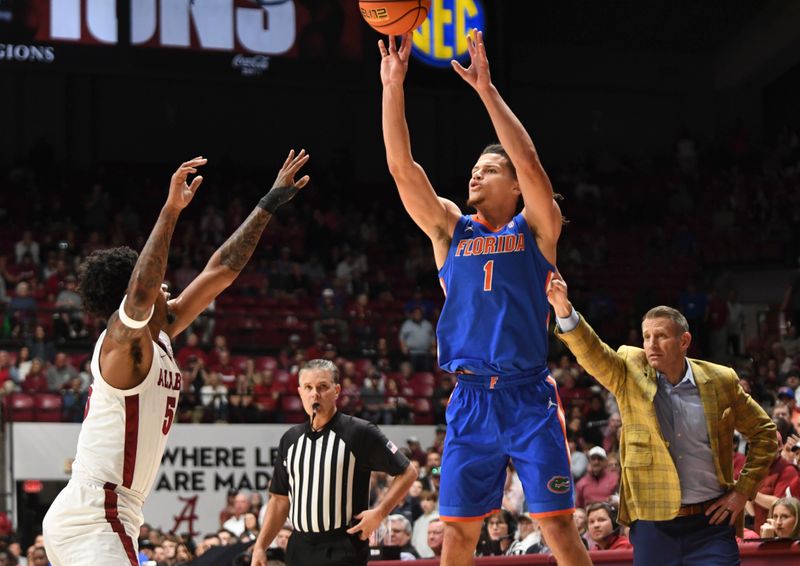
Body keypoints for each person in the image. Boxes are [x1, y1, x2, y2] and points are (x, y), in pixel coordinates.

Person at [379, 30, 588, 566]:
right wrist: (392, 86)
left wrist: (487, 91)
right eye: (475, 166)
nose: (476, 170)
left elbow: (532, 162)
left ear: (516, 187)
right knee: (457, 536)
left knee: (559, 528)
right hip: (470, 398)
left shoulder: (538, 227)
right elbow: (403, 168)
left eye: (490, 168)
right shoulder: (451, 229)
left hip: (527, 395)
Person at [42, 150, 311, 565]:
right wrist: (170, 211)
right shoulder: (120, 347)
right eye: (158, 283)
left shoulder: (161, 335)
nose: (167, 287)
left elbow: (220, 270)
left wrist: (267, 204)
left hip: (117, 511)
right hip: (97, 512)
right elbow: (143, 290)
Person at [547, 272, 778, 566]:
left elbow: (765, 434)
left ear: (685, 341)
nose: (651, 344)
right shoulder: (630, 371)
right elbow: (593, 354)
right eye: (646, 337)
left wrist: (743, 492)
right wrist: (564, 310)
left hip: (711, 523)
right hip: (653, 526)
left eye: (661, 336)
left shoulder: (720, 380)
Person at [251, 359, 418, 566]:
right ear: (300, 392)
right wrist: (260, 546)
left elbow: (408, 472)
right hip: (299, 547)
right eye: (308, 388)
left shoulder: (359, 431)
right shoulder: (290, 439)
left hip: (343, 546)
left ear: (336, 390)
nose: (315, 394)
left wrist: (380, 513)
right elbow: (279, 501)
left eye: (322, 387)